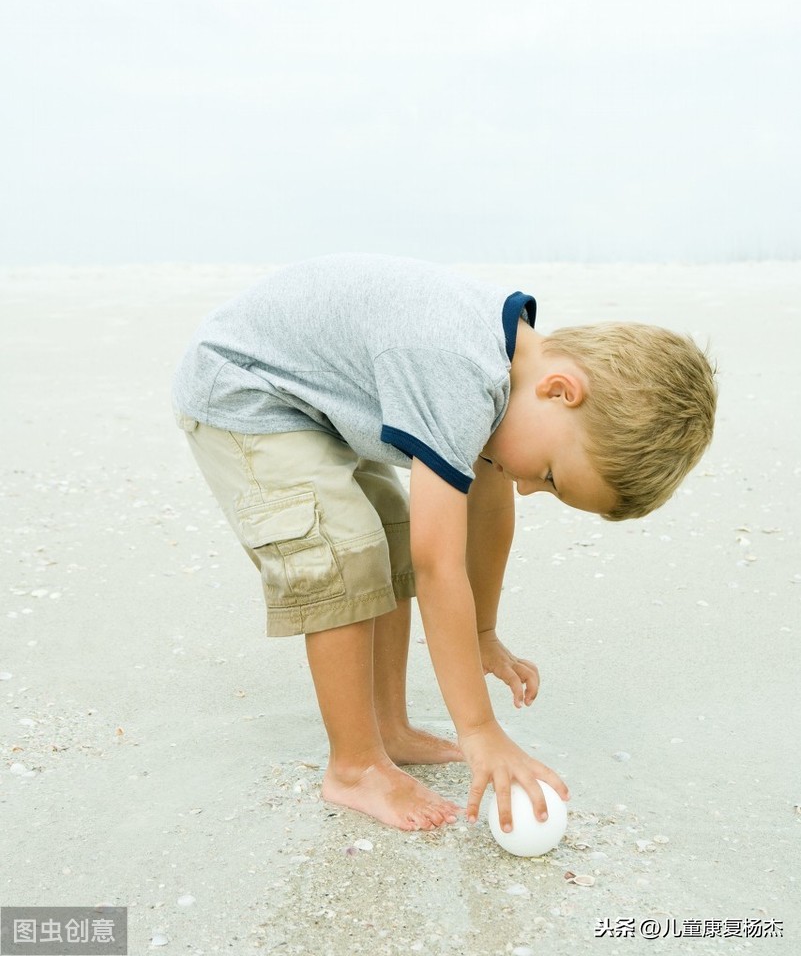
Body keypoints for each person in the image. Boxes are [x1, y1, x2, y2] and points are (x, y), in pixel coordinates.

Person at [172, 253, 717, 834]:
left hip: (315, 398)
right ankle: (354, 766)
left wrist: (482, 632)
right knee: (342, 557)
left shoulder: (510, 367)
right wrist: (479, 730)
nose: (530, 489)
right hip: (246, 389)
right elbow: (439, 566)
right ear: (560, 391)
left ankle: (389, 727)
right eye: (552, 475)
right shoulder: (460, 372)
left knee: (391, 532)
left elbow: (487, 510)